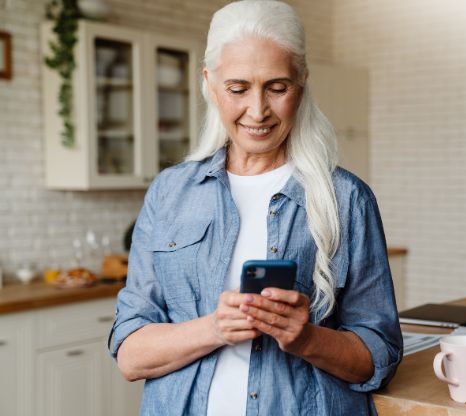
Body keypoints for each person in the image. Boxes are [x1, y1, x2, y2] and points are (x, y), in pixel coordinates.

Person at [108, 1, 402, 415]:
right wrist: (214, 328)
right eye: (238, 88)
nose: (258, 110)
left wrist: (306, 339)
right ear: (210, 83)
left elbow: (380, 356)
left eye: (277, 87)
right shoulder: (169, 193)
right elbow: (131, 355)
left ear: (302, 82)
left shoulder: (348, 200)